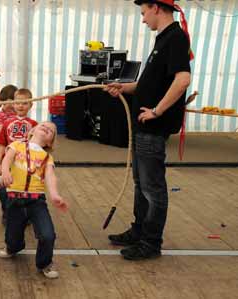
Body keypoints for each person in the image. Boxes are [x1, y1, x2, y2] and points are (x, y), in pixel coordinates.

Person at [105, 0, 192, 260]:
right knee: (140, 183)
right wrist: (123, 87)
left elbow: (183, 78)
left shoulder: (175, 38)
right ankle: (139, 230)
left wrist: (157, 111)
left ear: (156, 7)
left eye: (144, 13)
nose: (143, 19)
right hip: (144, 126)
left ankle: (151, 243)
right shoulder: (163, 39)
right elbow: (146, 84)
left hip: (153, 127)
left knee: (152, 188)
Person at [0, 121, 68, 279]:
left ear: (50, 141)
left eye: (51, 130)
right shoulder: (17, 145)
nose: (47, 128)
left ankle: (45, 263)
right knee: (13, 238)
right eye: (44, 125)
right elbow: (6, 159)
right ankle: (13, 247)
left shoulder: (47, 157)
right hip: (14, 199)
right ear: (32, 130)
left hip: (36, 202)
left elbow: (50, 177)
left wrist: (55, 195)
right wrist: (5, 172)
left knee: (48, 235)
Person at [0, 88, 37, 223]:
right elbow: (2, 143)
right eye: (18, 103)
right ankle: (7, 212)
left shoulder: (34, 125)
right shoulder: (7, 123)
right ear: (13, 104)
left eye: (25, 103)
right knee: (3, 189)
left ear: (31, 105)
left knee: (26, 189)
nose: (20, 106)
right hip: (8, 163)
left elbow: (38, 148)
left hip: (26, 164)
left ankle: (26, 213)